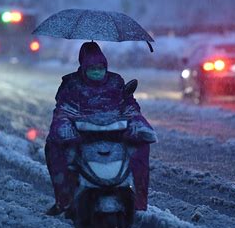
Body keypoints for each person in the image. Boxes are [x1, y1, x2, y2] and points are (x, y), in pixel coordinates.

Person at [45, 42, 156, 216]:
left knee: (140, 147)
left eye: (100, 67)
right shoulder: (71, 84)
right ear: (83, 67)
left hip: (114, 133)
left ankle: (139, 200)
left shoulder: (116, 81)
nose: (97, 72)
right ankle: (64, 200)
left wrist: (136, 122)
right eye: (92, 68)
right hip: (82, 135)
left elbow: (128, 104)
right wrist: (64, 128)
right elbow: (63, 109)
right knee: (55, 147)